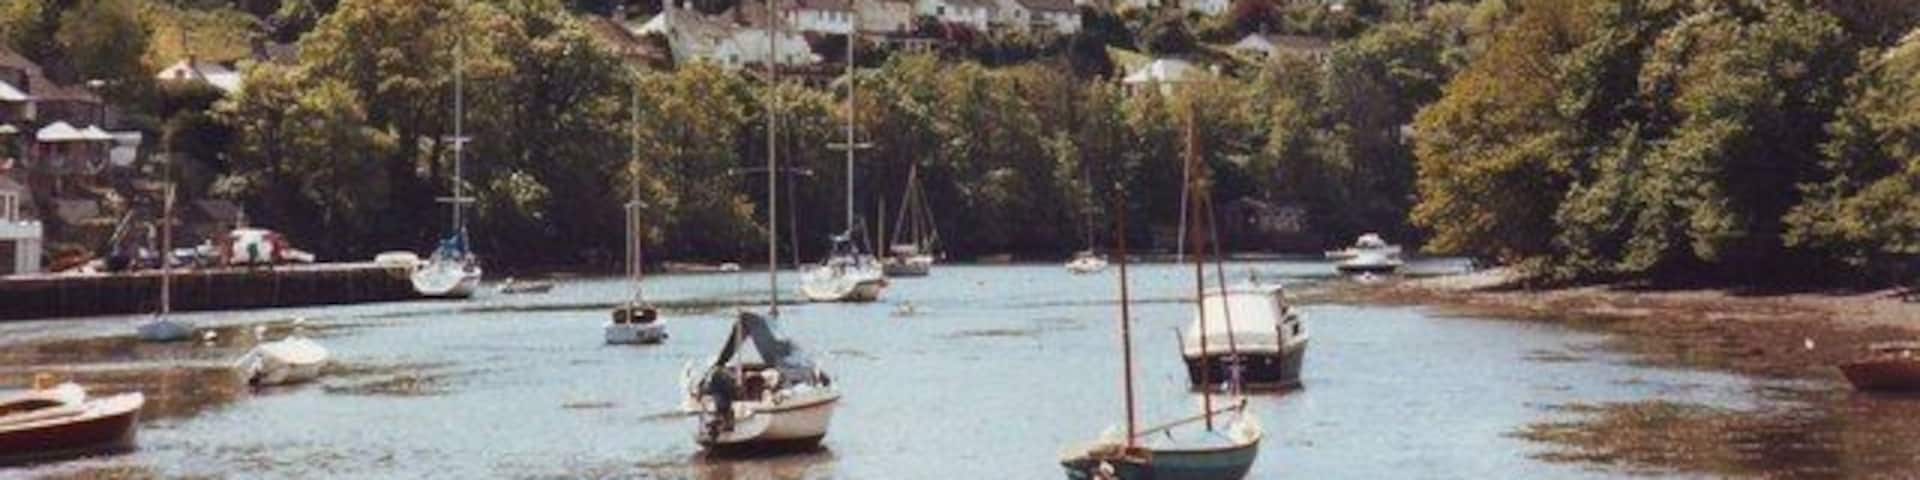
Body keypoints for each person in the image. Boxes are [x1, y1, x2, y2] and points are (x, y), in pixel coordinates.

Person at [705, 367, 737, 435]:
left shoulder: (719, 376)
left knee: (722, 411)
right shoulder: (724, 377)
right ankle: (726, 427)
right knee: (724, 411)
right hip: (723, 396)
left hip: (720, 396)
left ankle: (722, 427)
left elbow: (711, 387)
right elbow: (729, 388)